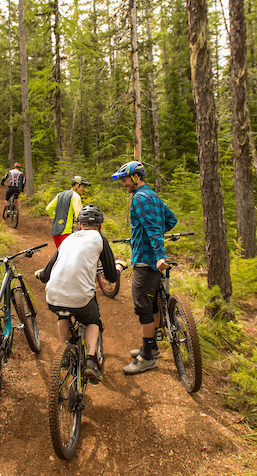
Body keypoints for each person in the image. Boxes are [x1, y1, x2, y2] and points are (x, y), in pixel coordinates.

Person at [35, 205, 123, 383]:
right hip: (81, 299)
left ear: (79, 224)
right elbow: (111, 276)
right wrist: (119, 268)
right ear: (99, 225)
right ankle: (90, 361)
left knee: (63, 315)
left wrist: (40, 274)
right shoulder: (100, 238)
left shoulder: (67, 239)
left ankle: (65, 353)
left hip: (53, 296)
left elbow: (48, 272)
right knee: (92, 321)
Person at [111, 160, 177, 375]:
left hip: (146, 260)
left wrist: (159, 255)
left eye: (125, 179)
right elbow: (171, 220)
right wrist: (146, 235)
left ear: (136, 177)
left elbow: (152, 228)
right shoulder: (154, 196)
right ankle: (153, 347)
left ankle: (147, 357)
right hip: (150, 259)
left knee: (143, 307)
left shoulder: (139, 198)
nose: (124, 183)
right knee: (153, 304)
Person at [46, 175, 90, 247]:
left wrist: (58, 217)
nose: (84, 189)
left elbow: (48, 208)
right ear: (76, 185)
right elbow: (79, 215)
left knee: (61, 255)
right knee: (70, 256)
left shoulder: (60, 194)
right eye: (83, 187)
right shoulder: (75, 196)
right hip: (66, 232)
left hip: (55, 232)